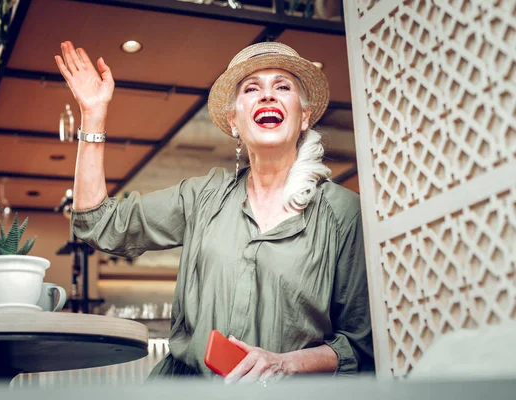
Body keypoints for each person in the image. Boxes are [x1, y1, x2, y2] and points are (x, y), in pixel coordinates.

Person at [54, 40, 374, 383]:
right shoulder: (202, 197)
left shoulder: (343, 213)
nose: (267, 95)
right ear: (233, 120)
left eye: (282, 86)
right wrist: (93, 114)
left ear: (304, 116)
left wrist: (285, 363)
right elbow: (99, 224)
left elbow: (361, 346)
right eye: (252, 88)